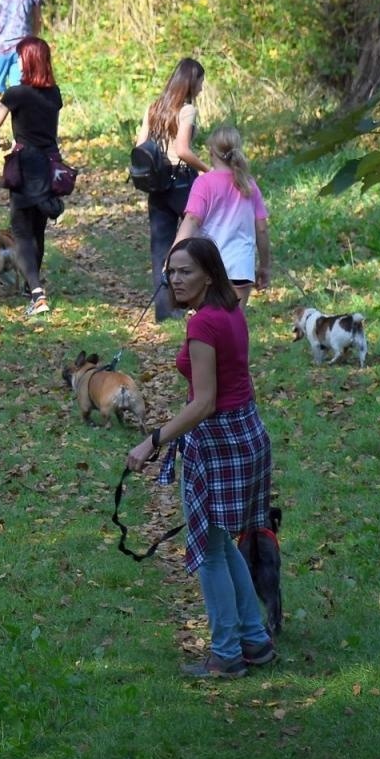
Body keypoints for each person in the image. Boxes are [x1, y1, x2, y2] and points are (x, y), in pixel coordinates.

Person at [125, 236, 274, 679]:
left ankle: (227, 653)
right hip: (246, 433)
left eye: (185, 270)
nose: (175, 278)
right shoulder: (229, 310)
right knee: (220, 543)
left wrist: (152, 440)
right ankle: (255, 641)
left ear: (209, 273)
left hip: (221, 440)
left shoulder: (204, 325)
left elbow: (204, 402)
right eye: (171, 270)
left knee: (210, 551)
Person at [0, 36, 63, 317]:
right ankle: (33, 287)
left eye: (20, 57)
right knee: (38, 231)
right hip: (49, 167)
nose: (17, 62)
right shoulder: (54, 94)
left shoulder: (15, 94)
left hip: (25, 167)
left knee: (21, 233)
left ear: (28, 60)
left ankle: (37, 294)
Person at [139, 58, 212, 322]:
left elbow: (140, 144)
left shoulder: (154, 107)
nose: (202, 87)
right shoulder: (187, 110)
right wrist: (206, 169)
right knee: (200, 237)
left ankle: (165, 310)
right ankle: (201, 299)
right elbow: (182, 150)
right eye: (201, 82)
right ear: (193, 81)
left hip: (156, 183)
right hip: (181, 180)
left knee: (161, 247)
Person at [171, 125, 270, 306]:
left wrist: (173, 255)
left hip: (208, 266)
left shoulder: (203, 183)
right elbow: (262, 229)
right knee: (234, 323)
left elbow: (191, 221)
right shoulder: (249, 184)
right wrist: (264, 266)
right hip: (241, 267)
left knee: (209, 322)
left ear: (211, 151)